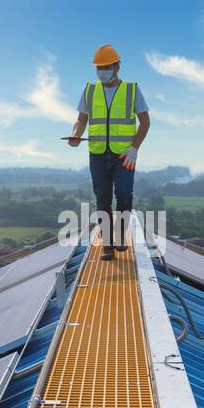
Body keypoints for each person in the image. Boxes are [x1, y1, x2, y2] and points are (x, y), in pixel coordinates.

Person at [67, 44, 150, 261]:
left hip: (124, 155)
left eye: (106, 66)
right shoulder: (89, 90)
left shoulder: (132, 89)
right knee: (102, 199)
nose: (101, 71)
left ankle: (121, 234)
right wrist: (75, 134)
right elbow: (81, 119)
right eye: (98, 67)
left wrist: (134, 148)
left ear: (117, 66)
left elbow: (145, 121)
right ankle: (107, 243)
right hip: (97, 153)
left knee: (123, 195)